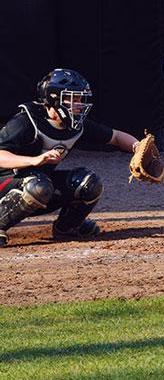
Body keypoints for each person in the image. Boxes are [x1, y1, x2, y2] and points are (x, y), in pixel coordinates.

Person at [0, 69, 142, 247]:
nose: (78, 105)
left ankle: (67, 227)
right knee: (38, 185)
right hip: (7, 183)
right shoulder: (26, 121)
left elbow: (115, 137)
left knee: (88, 183)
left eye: (80, 99)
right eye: (72, 99)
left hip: (38, 185)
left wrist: (138, 147)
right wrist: (34, 160)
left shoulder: (76, 126)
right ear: (53, 99)